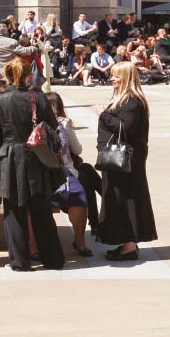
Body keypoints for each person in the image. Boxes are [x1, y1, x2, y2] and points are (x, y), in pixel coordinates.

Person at [0, 57, 64, 272]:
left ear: (7, 75)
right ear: (29, 75)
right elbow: (53, 128)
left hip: (9, 160)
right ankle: (53, 259)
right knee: (42, 212)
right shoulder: (40, 98)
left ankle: (19, 261)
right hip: (36, 159)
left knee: (14, 213)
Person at [97, 61, 157, 261]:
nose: (111, 79)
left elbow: (125, 127)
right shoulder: (125, 99)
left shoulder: (132, 101)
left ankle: (130, 246)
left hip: (126, 161)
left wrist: (103, 114)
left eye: (116, 76)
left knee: (128, 199)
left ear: (126, 79)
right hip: (121, 160)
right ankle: (125, 243)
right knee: (120, 199)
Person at [47, 92, 92, 257]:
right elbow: (78, 149)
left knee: (78, 196)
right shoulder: (63, 123)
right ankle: (80, 242)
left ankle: (79, 241)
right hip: (53, 171)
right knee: (78, 197)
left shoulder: (63, 124)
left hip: (63, 172)